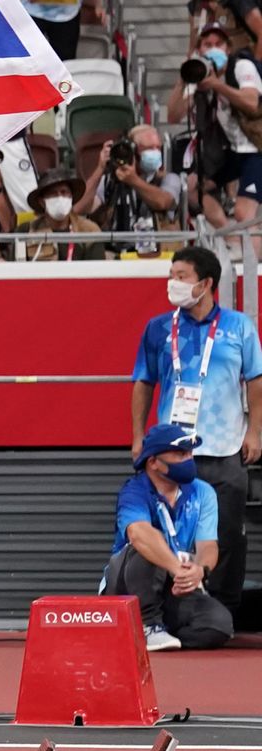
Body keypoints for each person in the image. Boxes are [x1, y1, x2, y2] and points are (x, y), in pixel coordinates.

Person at [130, 246, 260, 616]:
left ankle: (225, 610)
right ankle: (169, 609)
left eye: (181, 276)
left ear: (205, 284)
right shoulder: (158, 329)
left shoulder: (238, 327)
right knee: (166, 530)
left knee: (228, 533)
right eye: (171, 274)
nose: (173, 283)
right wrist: (139, 436)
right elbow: (143, 382)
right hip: (170, 453)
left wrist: (254, 433)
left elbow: (255, 381)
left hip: (225, 448)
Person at [106, 424, 234, 650]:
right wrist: (177, 568)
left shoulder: (203, 492)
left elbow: (208, 545)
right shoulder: (134, 491)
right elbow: (138, 534)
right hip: (129, 584)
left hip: (174, 585)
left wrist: (199, 571)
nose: (189, 460)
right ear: (153, 462)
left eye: (189, 454)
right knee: (147, 543)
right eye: (180, 454)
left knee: (218, 625)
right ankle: (146, 625)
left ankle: (154, 634)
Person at [173, 22, 262, 232]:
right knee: (192, 188)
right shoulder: (199, 76)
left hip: (257, 148)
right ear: (199, 50)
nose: (213, 48)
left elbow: (251, 102)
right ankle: (227, 235)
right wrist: (183, 78)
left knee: (243, 213)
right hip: (232, 151)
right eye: (207, 44)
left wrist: (217, 85)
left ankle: (256, 261)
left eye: (218, 43)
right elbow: (174, 115)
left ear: (228, 49)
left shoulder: (240, 67)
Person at [77, 125, 184, 243]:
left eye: (158, 147)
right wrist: (100, 168)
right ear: (132, 150)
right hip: (113, 252)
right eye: (149, 148)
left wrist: (133, 180)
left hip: (156, 251)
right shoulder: (110, 181)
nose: (156, 152)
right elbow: (80, 208)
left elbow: (163, 202)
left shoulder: (169, 178)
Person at [23, 165, 103, 261]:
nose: (60, 197)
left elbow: (96, 271)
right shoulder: (26, 231)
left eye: (64, 192)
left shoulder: (90, 231)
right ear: (42, 202)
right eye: (53, 193)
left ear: (71, 197)